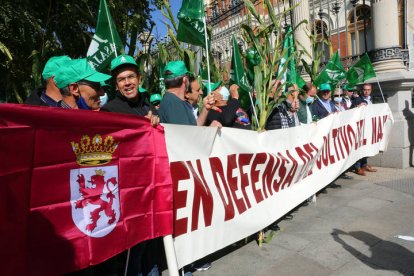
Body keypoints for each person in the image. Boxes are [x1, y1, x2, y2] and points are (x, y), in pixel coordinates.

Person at [158, 61, 213, 274]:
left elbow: (193, 130)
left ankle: (189, 261)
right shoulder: (171, 103)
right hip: (182, 173)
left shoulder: (177, 103)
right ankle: (184, 264)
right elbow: (189, 140)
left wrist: (206, 111)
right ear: (184, 80)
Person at [101, 54, 159, 126]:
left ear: (139, 79)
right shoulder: (109, 112)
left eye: (131, 77)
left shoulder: (150, 107)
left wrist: (156, 123)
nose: (127, 83)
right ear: (116, 85)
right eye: (121, 79)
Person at [158, 61, 214, 126]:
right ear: (184, 79)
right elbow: (187, 134)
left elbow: (193, 126)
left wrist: (205, 109)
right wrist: (211, 129)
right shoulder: (175, 104)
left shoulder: (172, 101)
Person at [353, 83, 378, 175]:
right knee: (360, 146)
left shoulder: (371, 99)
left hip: (369, 126)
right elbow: (350, 111)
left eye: (368, 90)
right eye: (365, 89)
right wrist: (357, 107)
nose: (366, 91)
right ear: (362, 90)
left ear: (371, 90)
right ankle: (357, 167)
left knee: (367, 146)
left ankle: (365, 165)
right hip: (360, 128)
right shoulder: (357, 99)